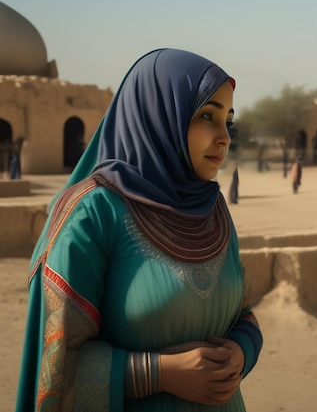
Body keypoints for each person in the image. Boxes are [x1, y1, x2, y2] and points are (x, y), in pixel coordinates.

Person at [15, 48, 263, 411]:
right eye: (207, 116)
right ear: (159, 117)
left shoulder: (212, 209)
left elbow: (240, 314)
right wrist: (158, 374)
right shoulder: (93, 214)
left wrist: (241, 352)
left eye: (228, 120)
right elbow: (53, 366)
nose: (224, 137)